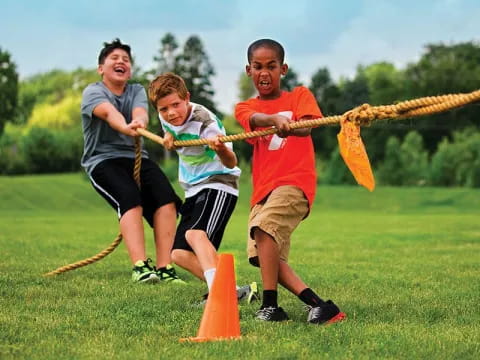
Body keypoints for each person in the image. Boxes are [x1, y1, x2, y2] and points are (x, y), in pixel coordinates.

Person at [234, 39, 346, 323]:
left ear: (282, 69)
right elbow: (254, 118)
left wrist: (290, 127)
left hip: (294, 183)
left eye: (271, 66)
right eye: (258, 67)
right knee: (263, 254)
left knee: (264, 228)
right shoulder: (244, 107)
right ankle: (320, 306)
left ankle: (270, 307)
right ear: (248, 70)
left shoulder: (299, 95)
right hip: (262, 191)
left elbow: (307, 127)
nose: (264, 73)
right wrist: (272, 119)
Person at [148, 72, 258, 303]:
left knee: (195, 234)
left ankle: (218, 297)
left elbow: (231, 162)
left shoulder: (205, 123)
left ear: (187, 97)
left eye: (176, 105)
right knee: (178, 254)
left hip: (219, 183)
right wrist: (167, 134)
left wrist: (220, 149)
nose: (171, 113)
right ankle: (236, 292)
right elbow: (170, 127)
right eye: (164, 109)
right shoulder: (166, 116)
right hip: (193, 189)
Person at [81, 39, 184, 284]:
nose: (121, 62)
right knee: (130, 198)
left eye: (126, 60)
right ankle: (140, 267)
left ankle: (165, 267)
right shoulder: (93, 92)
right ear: (101, 68)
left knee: (167, 201)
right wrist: (125, 127)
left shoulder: (136, 90)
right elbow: (109, 113)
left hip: (136, 158)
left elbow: (140, 112)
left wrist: (139, 123)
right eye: (114, 58)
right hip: (103, 160)